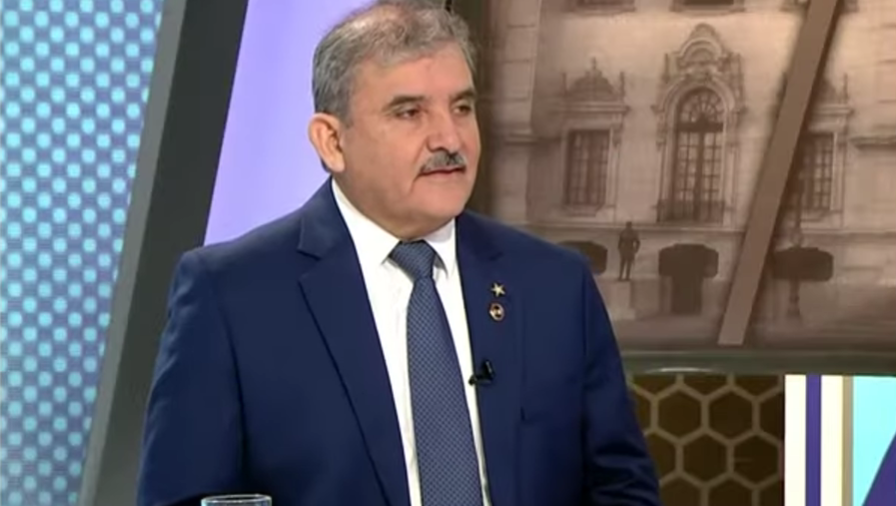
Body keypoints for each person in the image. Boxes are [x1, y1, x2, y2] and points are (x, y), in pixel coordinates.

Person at [136, 2, 660, 505]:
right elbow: (185, 499)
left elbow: (621, 488)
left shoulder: (554, 285)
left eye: (462, 107)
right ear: (332, 142)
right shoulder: (232, 296)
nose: (449, 138)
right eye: (409, 112)